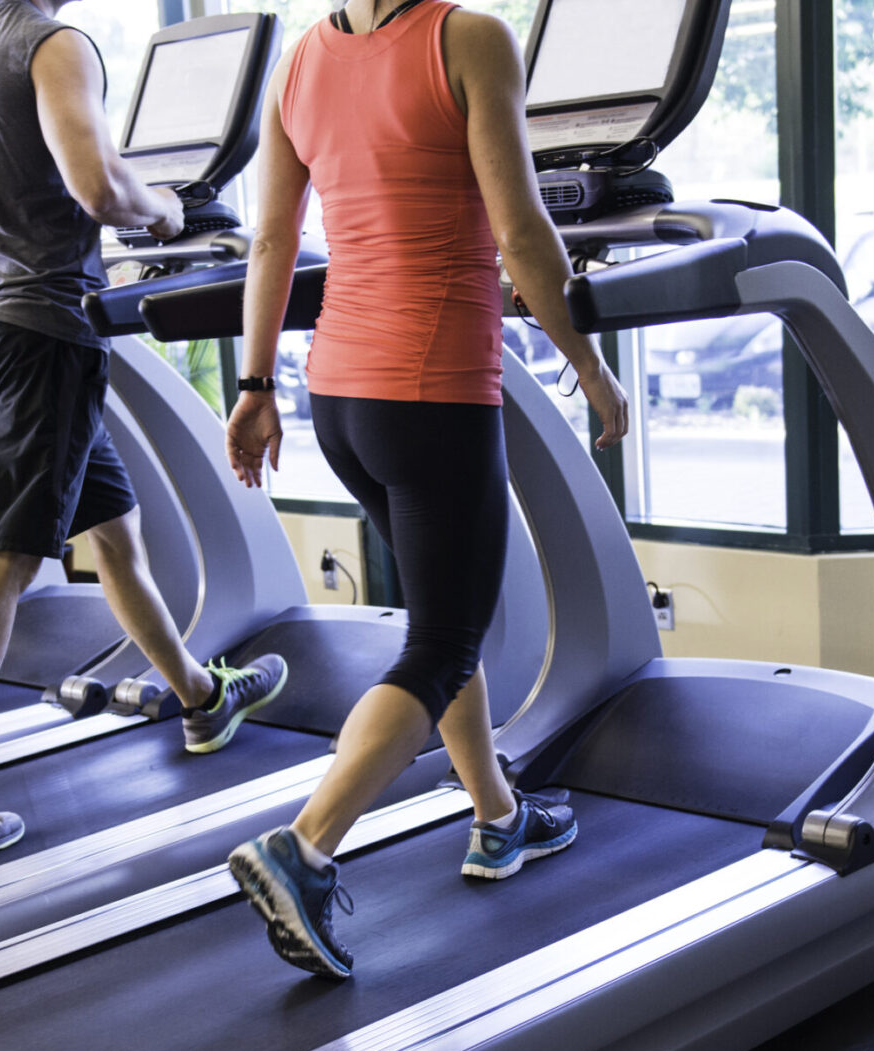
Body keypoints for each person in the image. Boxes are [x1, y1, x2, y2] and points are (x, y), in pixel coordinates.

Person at [225, 0, 630, 979]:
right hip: (435, 388)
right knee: (446, 642)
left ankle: (499, 816)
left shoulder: (301, 61)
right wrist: (588, 364)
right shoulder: (471, 37)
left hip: (340, 399)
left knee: (439, 625)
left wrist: (252, 385)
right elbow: (523, 227)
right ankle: (306, 844)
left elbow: (273, 240)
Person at [0, 0, 289, 855]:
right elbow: (96, 185)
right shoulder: (52, 44)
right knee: (7, 557)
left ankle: (199, 700)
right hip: (42, 331)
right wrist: (169, 212)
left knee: (115, 528)